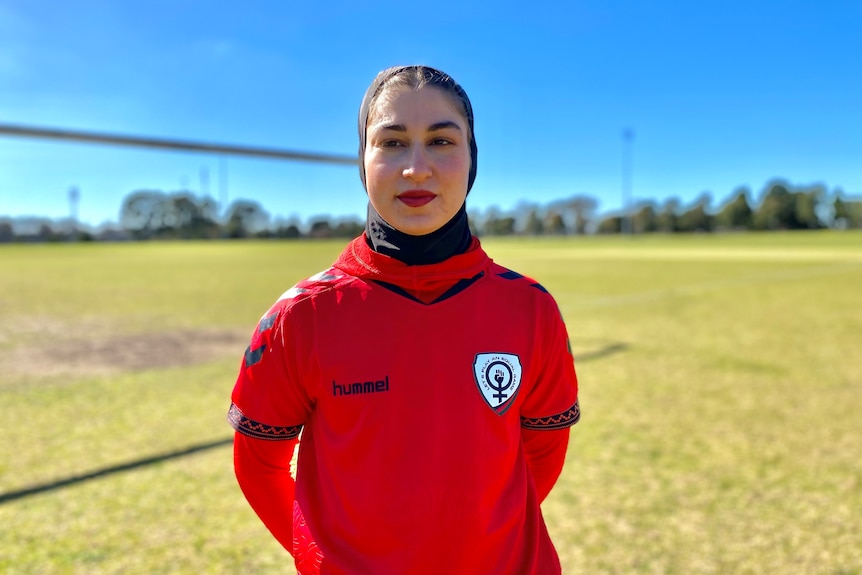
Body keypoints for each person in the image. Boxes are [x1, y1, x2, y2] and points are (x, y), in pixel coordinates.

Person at [228, 65, 580, 575]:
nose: (416, 168)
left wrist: (479, 536)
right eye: (391, 143)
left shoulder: (530, 307)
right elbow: (258, 464)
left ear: (472, 157)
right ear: (363, 160)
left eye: (441, 140)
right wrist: (320, 556)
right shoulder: (300, 316)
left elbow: (542, 453)